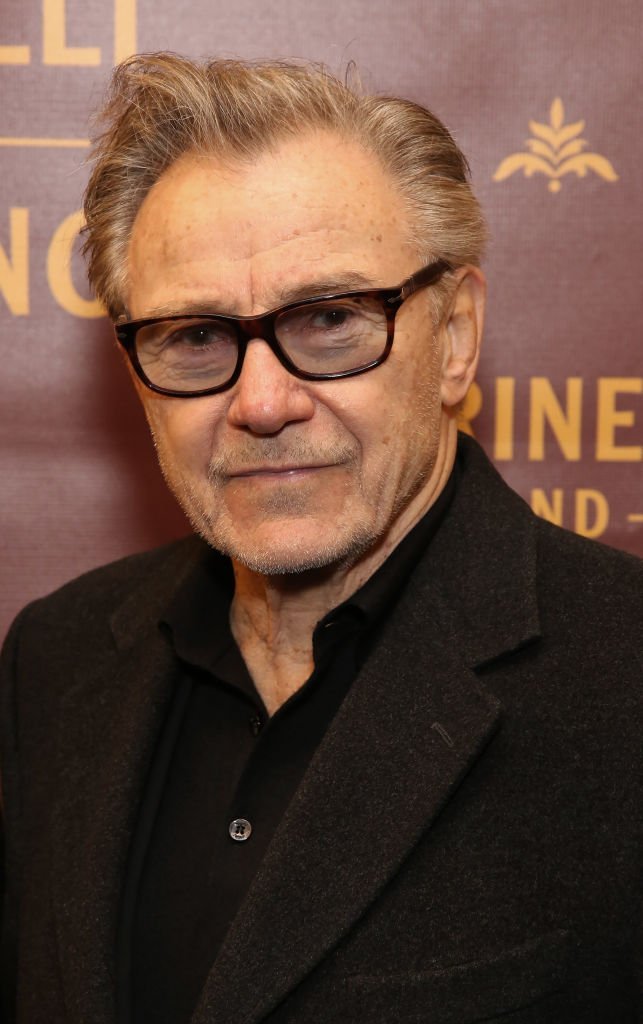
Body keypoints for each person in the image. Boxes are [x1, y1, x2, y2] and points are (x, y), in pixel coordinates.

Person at [1, 53, 641, 1024]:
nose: (261, 402)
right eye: (196, 337)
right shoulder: (53, 659)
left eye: (332, 318)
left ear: (457, 335)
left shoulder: (624, 677)